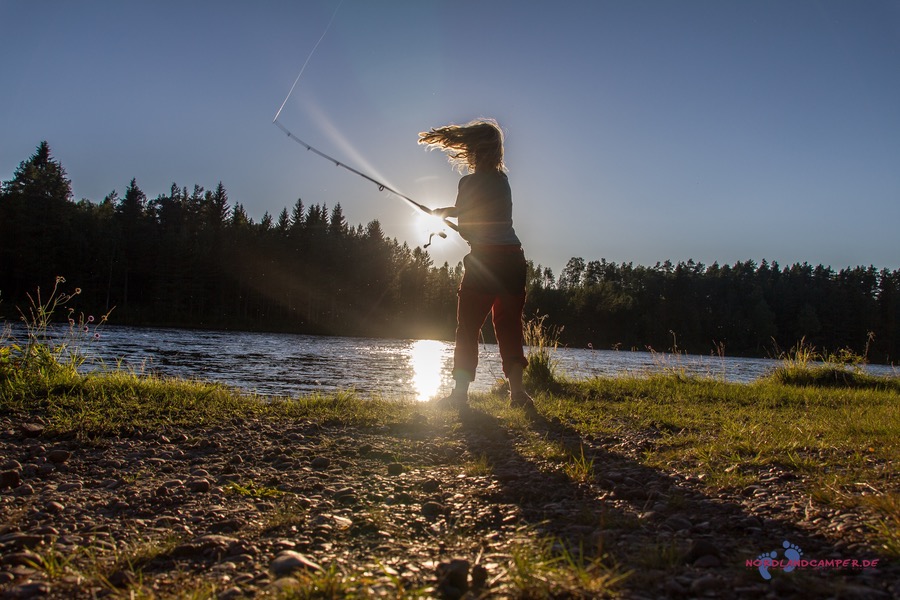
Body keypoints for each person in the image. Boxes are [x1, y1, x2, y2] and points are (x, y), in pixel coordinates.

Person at [418, 118, 534, 410]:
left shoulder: (467, 182)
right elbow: (482, 217)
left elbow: (469, 223)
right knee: (508, 326)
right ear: (497, 152)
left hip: (485, 260)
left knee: (468, 327)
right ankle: (518, 394)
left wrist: (448, 214)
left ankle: (459, 396)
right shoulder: (503, 182)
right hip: (513, 258)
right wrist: (454, 213)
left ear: (472, 150)